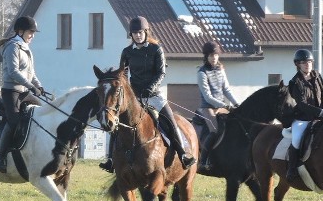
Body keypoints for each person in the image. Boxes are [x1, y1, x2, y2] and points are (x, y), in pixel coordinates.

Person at [99, 16, 196, 173]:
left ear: (146, 32)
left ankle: (183, 154)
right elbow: (123, 74)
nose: (138, 35)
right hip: (135, 97)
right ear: (131, 35)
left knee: (170, 122)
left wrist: (151, 87)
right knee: (118, 124)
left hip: (154, 95)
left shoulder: (156, 49)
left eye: (140, 32)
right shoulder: (127, 52)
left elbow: (161, 72)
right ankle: (111, 159)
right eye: (135, 33)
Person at [0, 15, 46, 173]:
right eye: (31, 32)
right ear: (20, 31)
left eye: (33, 33)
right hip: (11, 92)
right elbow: (13, 71)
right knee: (14, 121)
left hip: (24, 92)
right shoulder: (12, 47)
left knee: (41, 114)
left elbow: (31, 73)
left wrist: (39, 86)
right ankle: (0, 158)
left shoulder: (25, 48)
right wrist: (31, 86)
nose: (32, 35)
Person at [286, 48, 323, 181]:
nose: (308, 64)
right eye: (304, 62)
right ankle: (292, 168)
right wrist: (319, 111)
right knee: (296, 140)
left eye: (310, 62)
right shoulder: (295, 82)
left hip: (321, 116)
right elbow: (301, 104)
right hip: (303, 118)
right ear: (298, 64)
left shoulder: (317, 76)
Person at [196, 41, 239, 171]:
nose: (213, 58)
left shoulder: (221, 69)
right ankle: (203, 161)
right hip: (207, 107)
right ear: (206, 57)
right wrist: (225, 105)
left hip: (221, 106)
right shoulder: (201, 72)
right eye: (210, 55)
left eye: (215, 55)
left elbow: (227, 89)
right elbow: (208, 96)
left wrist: (237, 104)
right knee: (214, 131)